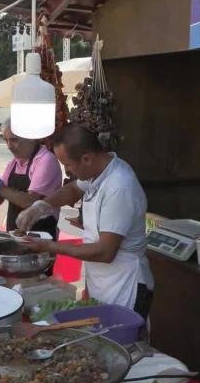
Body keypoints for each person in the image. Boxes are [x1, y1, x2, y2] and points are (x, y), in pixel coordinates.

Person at [18, 124, 154, 318]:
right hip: (101, 280)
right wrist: (41, 206)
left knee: (122, 334)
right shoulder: (98, 171)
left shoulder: (119, 186)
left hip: (124, 284)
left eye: (67, 165)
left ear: (86, 159)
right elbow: (74, 189)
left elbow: (105, 252)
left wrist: (49, 246)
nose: (66, 171)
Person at [0, 119, 63, 239]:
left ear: (30, 138)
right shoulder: (13, 164)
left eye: (13, 140)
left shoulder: (45, 160)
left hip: (41, 237)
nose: (9, 146)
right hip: (14, 236)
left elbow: (30, 202)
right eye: (6, 140)